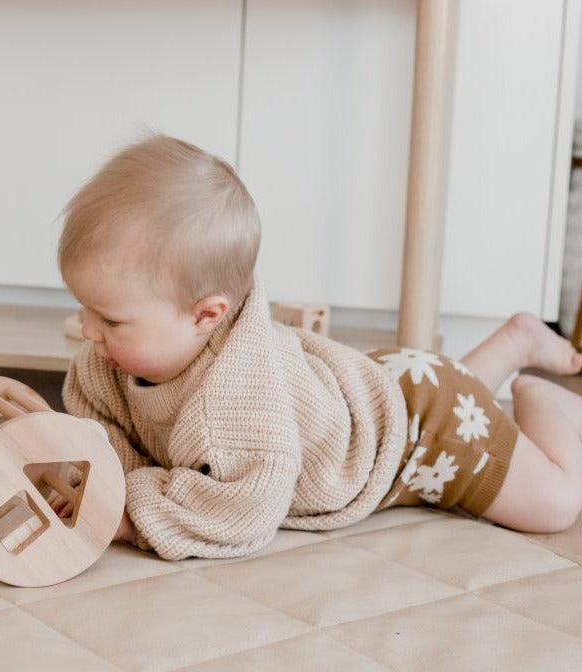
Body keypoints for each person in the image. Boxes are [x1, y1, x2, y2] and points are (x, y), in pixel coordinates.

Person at [54, 134, 582, 560]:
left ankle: (549, 400)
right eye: (85, 308)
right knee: (448, 385)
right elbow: (108, 438)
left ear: (206, 316)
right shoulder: (104, 367)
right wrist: (97, 480)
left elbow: (244, 512)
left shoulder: (237, 404)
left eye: (110, 319)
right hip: (385, 388)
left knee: (555, 506)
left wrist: (135, 514)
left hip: (426, 434)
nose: (88, 330)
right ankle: (514, 341)